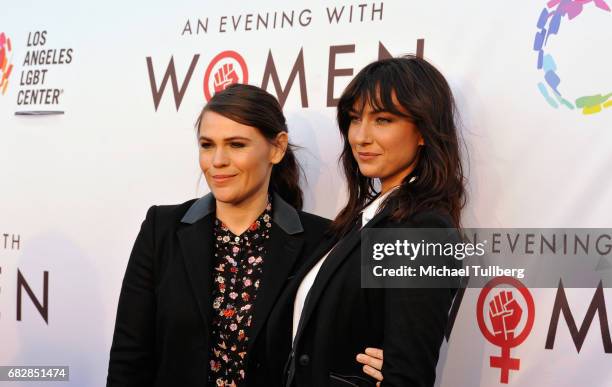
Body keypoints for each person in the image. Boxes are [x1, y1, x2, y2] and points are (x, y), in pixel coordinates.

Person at [106, 84, 384, 387]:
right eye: (207, 145)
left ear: (277, 148)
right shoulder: (162, 229)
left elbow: (339, 350)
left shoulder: (322, 240)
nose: (217, 161)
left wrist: (387, 366)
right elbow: (129, 357)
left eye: (236, 145)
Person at [272, 56, 466, 387]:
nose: (360, 137)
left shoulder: (422, 229)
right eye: (354, 119)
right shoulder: (365, 217)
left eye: (383, 120)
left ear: (423, 130)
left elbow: (407, 374)